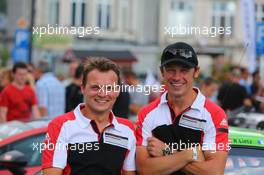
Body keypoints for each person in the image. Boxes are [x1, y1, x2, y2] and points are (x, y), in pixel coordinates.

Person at [136, 42, 229, 175]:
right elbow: (144, 169)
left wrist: (167, 151)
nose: (177, 77)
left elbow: (213, 172)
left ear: (196, 72)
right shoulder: (146, 113)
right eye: (170, 70)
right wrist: (189, 154)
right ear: (162, 72)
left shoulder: (215, 114)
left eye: (184, 70)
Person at [42, 58, 136, 175]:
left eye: (109, 88)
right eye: (95, 87)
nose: (102, 94)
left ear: (117, 91)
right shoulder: (60, 126)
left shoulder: (128, 129)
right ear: (83, 88)